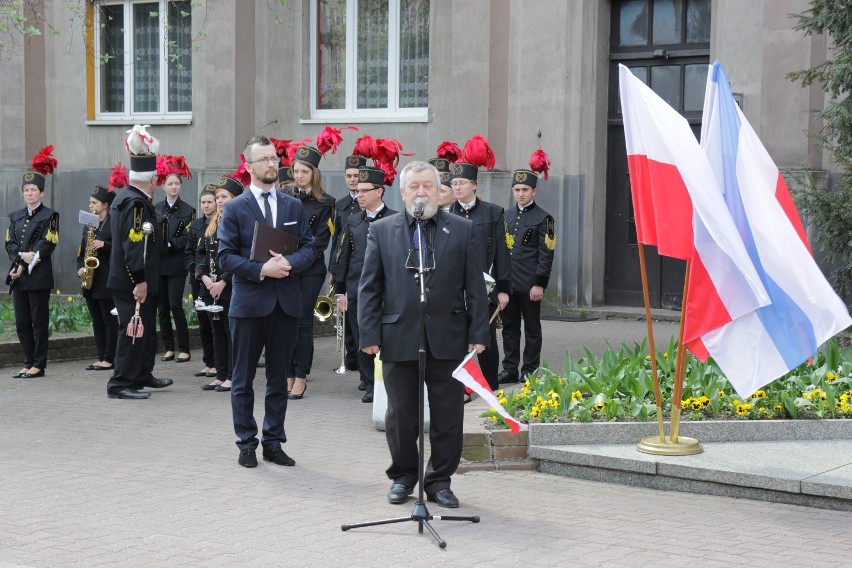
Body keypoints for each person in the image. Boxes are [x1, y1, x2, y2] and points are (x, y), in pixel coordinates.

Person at [358, 160, 488, 509]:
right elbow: (370, 288)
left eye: (427, 186)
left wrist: (479, 333)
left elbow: (474, 286)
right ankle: (403, 477)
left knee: (448, 416)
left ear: (438, 190)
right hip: (398, 335)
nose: (421, 193)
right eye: (414, 187)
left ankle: (439, 482)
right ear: (402, 193)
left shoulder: (461, 229)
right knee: (400, 416)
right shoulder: (383, 230)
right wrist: (368, 333)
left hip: (448, 335)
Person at [217, 135, 316, 468]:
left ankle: (273, 442)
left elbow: (310, 248)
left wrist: (289, 264)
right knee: (243, 379)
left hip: (285, 303)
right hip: (248, 305)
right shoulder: (233, 208)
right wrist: (262, 269)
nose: (272, 164)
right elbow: (225, 258)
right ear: (249, 167)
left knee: (278, 379)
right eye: (264, 160)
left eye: (275, 158)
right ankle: (247, 443)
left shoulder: (293, 206)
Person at [106, 125, 174, 400]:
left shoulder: (129, 198)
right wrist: (141, 282)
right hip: (133, 282)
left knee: (144, 331)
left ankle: (141, 374)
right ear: (153, 179)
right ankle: (120, 382)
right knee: (132, 332)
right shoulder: (135, 204)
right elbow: (134, 247)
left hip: (140, 280)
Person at [448, 135, 511, 391]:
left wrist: (503, 289)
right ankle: (461, 387)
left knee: (485, 337)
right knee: (456, 337)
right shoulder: (446, 214)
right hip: (454, 287)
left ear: (474, 185)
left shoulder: (493, 213)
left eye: (462, 183)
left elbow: (502, 253)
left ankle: (490, 386)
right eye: (454, 183)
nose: (458, 187)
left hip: (484, 286)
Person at [334, 163, 396, 403]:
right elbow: (343, 256)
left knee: (387, 337)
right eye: (357, 191)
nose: (358, 195)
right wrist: (341, 290)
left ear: (378, 191)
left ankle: (388, 383)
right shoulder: (352, 221)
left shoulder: (395, 219)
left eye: (363, 191)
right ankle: (369, 383)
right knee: (362, 338)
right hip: (357, 290)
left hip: (388, 292)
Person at [499, 151, 556, 385]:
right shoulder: (505, 215)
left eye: (525, 190)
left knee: (532, 329)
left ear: (534, 191)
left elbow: (546, 253)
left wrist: (539, 283)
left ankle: (530, 370)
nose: (520, 194)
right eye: (517, 190)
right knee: (509, 329)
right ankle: (510, 368)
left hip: (530, 285)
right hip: (509, 284)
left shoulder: (545, 218)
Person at [287, 143, 337, 399]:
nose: (299, 176)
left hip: (310, 270)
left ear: (313, 174)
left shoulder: (327, 203)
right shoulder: (286, 198)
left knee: (303, 323)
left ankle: (301, 376)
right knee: (286, 321)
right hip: (285, 268)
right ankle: (287, 372)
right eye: (296, 171)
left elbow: (320, 243)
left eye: (304, 172)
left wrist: (295, 262)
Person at [5, 146, 59, 379]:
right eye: (26, 190)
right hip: (19, 277)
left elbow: (49, 242)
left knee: (39, 322)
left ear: (42, 193)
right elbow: (9, 243)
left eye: (34, 189)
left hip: (38, 276)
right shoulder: (15, 216)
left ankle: (39, 364)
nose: (29, 193)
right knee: (22, 324)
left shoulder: (51, 216)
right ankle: (27, 361)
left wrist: (29, 258)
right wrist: (19, 258)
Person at [197, 176, 243, 392]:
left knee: (230, 332)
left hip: (229, 286)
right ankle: (220, 373)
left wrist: (223, 281)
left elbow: (240, 257)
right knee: (217, 332)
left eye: (224, 196)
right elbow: (201, 255)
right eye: (217, 197)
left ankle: (233, 377)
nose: (220, 201)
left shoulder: (240, 221)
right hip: (210, 287)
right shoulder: (212, 224)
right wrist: (205, 278)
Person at [155, 158, 196, 364]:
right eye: (170, 183)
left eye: (177, 183)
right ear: (163, 186)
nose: (173, 186)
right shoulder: (155, 208)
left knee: (175, 305)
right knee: (161, 308)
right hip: (159, 265)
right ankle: (169, 347)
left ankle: (185, 348)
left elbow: (188, 237)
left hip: (176, 265)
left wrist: (170, 245)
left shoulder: (188, 211)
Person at [331, 152, 368, 374]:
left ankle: (359, 357)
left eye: (357, 175)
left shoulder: (367, 201)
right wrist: (334, 269)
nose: (353, 180)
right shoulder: (340, 204)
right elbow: (337, 241)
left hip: (362, 267)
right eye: (349, 175)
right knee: (346, 316)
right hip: (345, 267)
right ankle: (351, 355)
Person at [77, 184, 117, 372]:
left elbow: (121, 247)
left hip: (107, 277)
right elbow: (81, 250)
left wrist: (104, 244)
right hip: (90, 278)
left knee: (108, 320)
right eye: (90, 202)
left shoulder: (114, 222)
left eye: (94, 202)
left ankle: (110, 358)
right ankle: (100, 356)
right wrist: (80, 268)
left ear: (105, 205)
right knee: (96, 320)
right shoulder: (89, 224)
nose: (91, 205)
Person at [187, 186, 217, 379]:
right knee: (203, 323)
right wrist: (195, 269)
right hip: (198, 279)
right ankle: (208, 361)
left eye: (209, 202)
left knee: (215, 324)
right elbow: (189, 252)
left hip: (214, 280)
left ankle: (217, 363)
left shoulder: (220, 223)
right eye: (203, 202)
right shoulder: (196, 225)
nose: (206, 206)